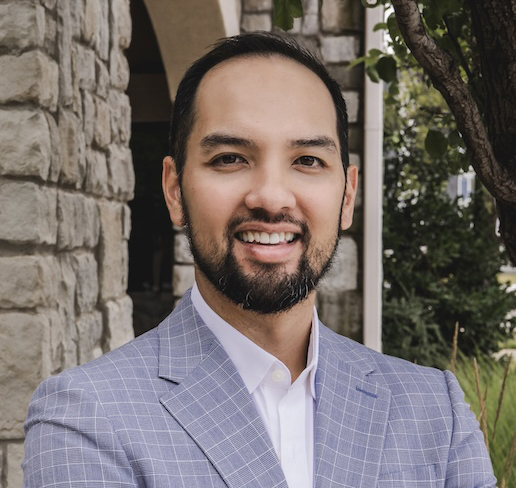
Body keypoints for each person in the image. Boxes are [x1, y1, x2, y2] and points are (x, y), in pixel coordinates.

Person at [23, 32, 496, 488]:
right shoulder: (85, 417)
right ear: (175, 190)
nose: (271, 197)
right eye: (230, 158)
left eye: (307, 160)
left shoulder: (436, 413)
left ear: (348, 195)